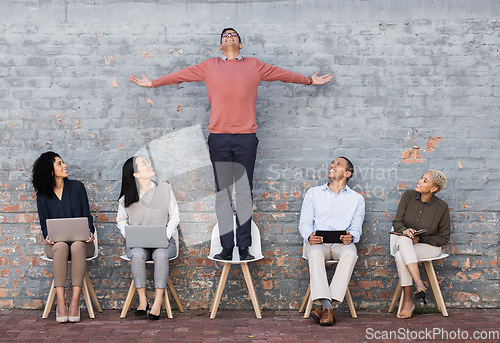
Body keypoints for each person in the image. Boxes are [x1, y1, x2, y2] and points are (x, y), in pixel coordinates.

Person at [130, 28, 333, 261]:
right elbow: (181, 75)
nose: (229, 36)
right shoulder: (209, 66)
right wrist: (153, 83)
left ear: (240, 44)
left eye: (233, 35)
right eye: (224, 35)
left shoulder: (254, 66)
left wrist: (308, 80)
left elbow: (281, 74)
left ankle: (244, 246)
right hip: (219, 137)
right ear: (220, 46)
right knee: (223, 194)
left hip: (246, 137)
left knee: (245, 192)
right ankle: (227, 247)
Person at [299, 157, 365, 326]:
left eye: (339, 164)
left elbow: (357, 228)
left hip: (340, 245)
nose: (333, 166)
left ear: (347, 173)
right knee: (314, 253)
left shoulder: (357, 199)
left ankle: (325, 307)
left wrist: (352, 237)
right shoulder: (313, 193)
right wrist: (309, 236)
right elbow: (305, 223)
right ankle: (329, 307)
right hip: (317, 244)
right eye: (332, 163)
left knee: (351, 253)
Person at [32, 152, 95, 323]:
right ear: (50, 171)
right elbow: (45, 226)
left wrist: (89, 232)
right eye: (59, 164)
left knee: (76, 245)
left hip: (82, 244)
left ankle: (74, 302)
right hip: (56, 246)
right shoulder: (42, 197)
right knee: (60, 246)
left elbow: (88, 216)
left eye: (63, 162)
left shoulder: (77, 187)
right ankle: (61, 303)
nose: (64, 165)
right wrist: (47, 236)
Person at [117, 156, 180, 320]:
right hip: (138, 243)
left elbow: (175, 215)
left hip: (164, 242)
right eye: (144, 163)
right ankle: (143, 301)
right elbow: (121, 220)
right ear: (135, 174)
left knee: (161, 255)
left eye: (147, 161)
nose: (149, 164)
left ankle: (158, 302)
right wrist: (128, 234)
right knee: (137, 254)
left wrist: (166, 234)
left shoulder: (165, 189)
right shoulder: (126, 199)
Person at [392, 170, 450, 319]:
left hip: (429, 248)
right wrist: (405, 230)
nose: (419, 181)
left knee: (401, 255)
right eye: (421, 177)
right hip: (407, 245)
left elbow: (444, 238)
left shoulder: (442, 207)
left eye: (425, 180)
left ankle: (409, 301)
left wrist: (421, 239)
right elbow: (397, 222)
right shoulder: (408, 196)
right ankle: (419, 285)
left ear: (433, 189)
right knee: (401, 248)